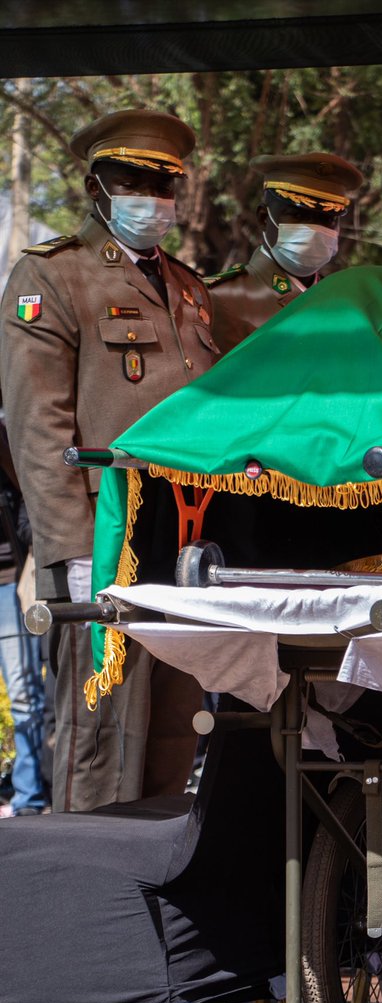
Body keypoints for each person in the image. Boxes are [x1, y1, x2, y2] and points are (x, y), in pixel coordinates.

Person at [0, 108, 220, 812]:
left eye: (163, 184)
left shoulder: (187, 288)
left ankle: (155, 899)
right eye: (133, 181)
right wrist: (71, 550)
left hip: (186, 544)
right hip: (105, 541)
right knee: (101, 739)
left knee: (173, 732)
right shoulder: (53, 275)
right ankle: (85, 902)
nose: (151, 199)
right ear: (95, 186)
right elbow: (39, 429)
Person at [206, 152, 364, 353]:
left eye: (327, 219)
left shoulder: (344, 304)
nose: (314, 229)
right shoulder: (221, 299)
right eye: (299, 215)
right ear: (264, 218)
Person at [0, 416, 49, 817]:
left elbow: (30, 502)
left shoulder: (6, 435)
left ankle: (29, 793)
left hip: (6, 580)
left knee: (23, 693)